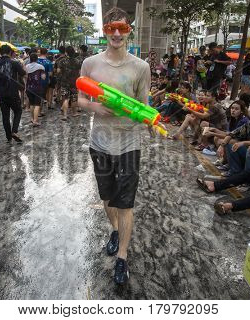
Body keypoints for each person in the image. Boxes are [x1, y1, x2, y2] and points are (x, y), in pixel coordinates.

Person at [77, 7, 151, 285]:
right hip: (100, 142)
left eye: (122, 28)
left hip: (130, 142)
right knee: (107, 197)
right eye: (111, 28)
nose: (117, 33)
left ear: (129, 29)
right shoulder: (90, 64)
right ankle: (117, 231)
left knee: (126, 202)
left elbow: (144, 104)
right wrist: (93, 105)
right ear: (105, 30)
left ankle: (122, 256)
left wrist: (149, 120)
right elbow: (81, 100)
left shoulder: (140, 67)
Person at [0, 44, 26, 143]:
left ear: (0, 53)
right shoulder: (14, 63)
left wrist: (0, 81)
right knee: (18, 111)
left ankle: (8, 137)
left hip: (2, 93)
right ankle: (14, 131)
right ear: (10, 52)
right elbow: (23, 74)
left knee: (5, 115)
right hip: (13, 92)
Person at [59, 46, 81, 120]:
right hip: (74, 82)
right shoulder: (77, 61)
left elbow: (58, 71)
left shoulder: (62, 61)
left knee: (65, 98)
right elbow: (80, 72)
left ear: (66, 52)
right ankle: (74, 113)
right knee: (74, 98)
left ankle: (65, 115)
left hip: (64, 82)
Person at [25, 53, 46, 126]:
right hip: (38, 88)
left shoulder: (26, 66)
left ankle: (32, 118)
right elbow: (43, 77)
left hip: (29, 88)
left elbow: (25, 76)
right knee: (37, 105)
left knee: (31, 104)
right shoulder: (41, 67)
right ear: (37, 58)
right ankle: (35, 121)